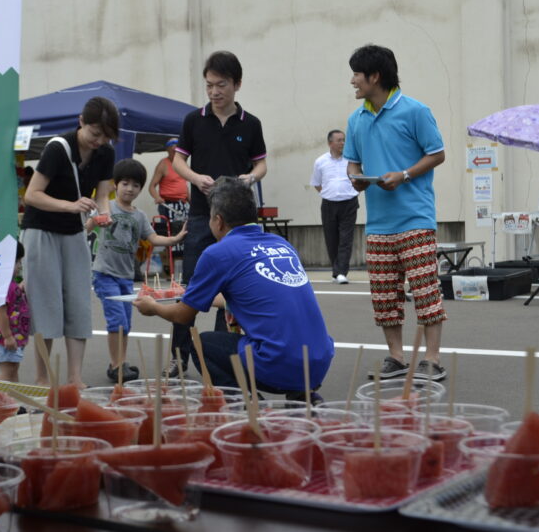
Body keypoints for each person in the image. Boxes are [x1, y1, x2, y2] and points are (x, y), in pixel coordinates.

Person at [134, 177, 333, 401]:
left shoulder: (218, 253)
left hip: (278, 363)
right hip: (319, 360)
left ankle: (249, 408)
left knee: (203, 345)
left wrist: (152, 307)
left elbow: (182, 315)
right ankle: (303, 398)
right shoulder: (281, 244)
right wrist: (195, 295)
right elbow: (251, 298)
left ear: (218, 221)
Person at [344, 44, 448, 381]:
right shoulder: (356, 119)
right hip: (377, 223)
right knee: (384, 294)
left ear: (374, 76)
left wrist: (403, 175)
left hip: (415, 218)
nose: (352, 81)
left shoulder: (416, 111)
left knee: (425, 290)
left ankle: (431, 359)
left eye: (357, 75)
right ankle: (396, 357)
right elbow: (353, 163)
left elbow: (437, 154)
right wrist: (356, 180)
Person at [168, 50, 268, 376]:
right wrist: (195, 178)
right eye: (209, 85)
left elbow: (261, 164)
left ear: (237, 84)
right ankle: (178, 358)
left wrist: (250, 178)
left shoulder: (250, 124)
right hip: (201, 216)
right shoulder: (193, 120)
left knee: (233, 288)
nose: (214, 92)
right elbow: (178, 161)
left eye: (221, 85)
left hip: (238, 221)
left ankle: (224, 356)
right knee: (192, 288)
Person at [22, 97, 119, 387]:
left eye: (106, 136)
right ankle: (42, 378)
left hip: (75, 233)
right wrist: (70, 205)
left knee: (78, 303)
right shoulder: (57, 148)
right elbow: (32, 195)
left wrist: (105, 214)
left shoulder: (105, 153)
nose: (99, 141)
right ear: (80, 122)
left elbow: (102, 195)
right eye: (94, 133)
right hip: (41, 231)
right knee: (44, 305)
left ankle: (75, 378)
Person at [89, 158, 188, 382]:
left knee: (127, 322)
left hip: (126, 276)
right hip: (105, 273)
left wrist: (174, 239)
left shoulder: (140, 215)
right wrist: (94, 221)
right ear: (116, 184)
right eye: (125, 183)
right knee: (117, 322)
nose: (130, 189)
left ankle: (120, 362)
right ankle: (116, 366)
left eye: (135, 185)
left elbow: (152, 237)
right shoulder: (107, 207)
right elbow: (88, 225)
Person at [311, 129, 359, 284]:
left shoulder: (351, 159)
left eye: (344, 140)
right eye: (339, 140)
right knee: (331, 238)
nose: (342, 143)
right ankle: (336, 270)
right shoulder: (320, 161)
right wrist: (328, 193)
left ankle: (342, 272)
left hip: (349, 202)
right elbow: (317, 184)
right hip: (329, 204)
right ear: (330, 143)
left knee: (346, 238)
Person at [0, 241, 30, 382]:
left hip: (14, 337)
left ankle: (12, 400)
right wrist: (8, 336)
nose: (19, 266)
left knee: (13, 369)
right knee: (7, 371)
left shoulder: (10, 285)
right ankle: (0, 400)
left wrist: (19, 288)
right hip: (4, 338)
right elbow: (0, 313)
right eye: (16, 261)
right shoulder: (2, 286)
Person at [148, 138, 189, 276]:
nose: (174, 153)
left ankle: (182, 268)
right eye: (172, 151)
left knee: (185, 234)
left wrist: (192, 203)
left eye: (176, 151)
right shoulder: (163, 164)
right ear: (168, 151)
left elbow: (184, 186)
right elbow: (152, 186)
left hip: (182, 204)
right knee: (171, 234)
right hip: (168, 205)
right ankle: (169, 268)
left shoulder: (182, 164)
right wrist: (157, 197)